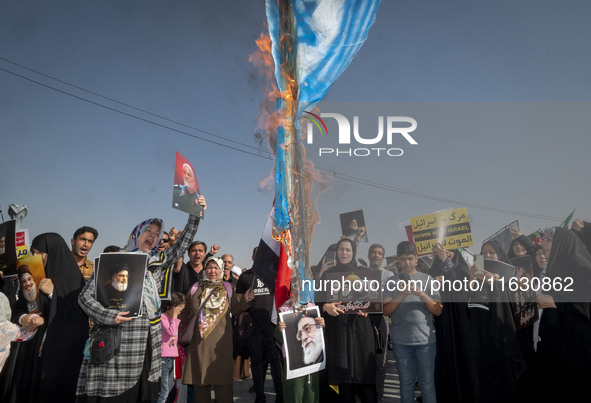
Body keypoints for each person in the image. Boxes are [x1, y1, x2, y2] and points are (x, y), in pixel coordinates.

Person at [76, 196, 205, 402]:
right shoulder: (115, 260)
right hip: (119, 349)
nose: (153, 237)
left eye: (156, 234)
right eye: (148, 232)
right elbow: (85, 298)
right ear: (137, 233)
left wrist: (194, 214)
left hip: (149, 347)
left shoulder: (156, 264)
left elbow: (182, 245)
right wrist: (110, 316)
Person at [1, 233, 88, 403]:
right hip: (30, 352)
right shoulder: (32, 276)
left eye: (40, 252)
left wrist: (52, 294)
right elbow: (19, 307)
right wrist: (24, 318)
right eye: (33, 252)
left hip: (58, 358)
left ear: (53, 252)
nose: (34, 257)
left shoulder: (74, 281)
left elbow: (78, 318)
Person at [320, 237, 391, 402]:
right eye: (341, 249)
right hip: (338, 338)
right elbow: (317, 303)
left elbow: (375, 306)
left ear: (353, 252)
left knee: (366, 384)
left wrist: (369, 310)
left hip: (361, 336)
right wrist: (325, 307)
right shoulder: (327, 276)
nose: (344, 252)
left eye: (348, 249)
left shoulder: (364, 274)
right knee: (344, 387)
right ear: (336, 252)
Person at [183, 256, 253, 403]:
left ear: (221, 270)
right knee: (200, 385)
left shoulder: (228, 288)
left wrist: (245, 301)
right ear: (205, 269)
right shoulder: (196, 288)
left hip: (221, 346)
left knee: (224, 387)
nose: (212, 271)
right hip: (199, 345)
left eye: (216, 268)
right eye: (209, 267)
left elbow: (235, 310)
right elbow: (186, 313)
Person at [535, 227, 591, 401]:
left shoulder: (584, 271)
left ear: (563, 245)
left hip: (577, 349)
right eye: (543, 247)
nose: (545, 250)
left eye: (548, 245)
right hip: (554, 347)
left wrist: (554, 302)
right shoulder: (551, 275)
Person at [388, 241, 442, 403]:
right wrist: (401, 295)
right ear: (398, 260)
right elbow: (386, 311)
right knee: (406, 384)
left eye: (410, 259)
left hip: (426, 342)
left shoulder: (428, 280)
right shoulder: (391, 281)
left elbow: (438, 310)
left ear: (416, 259)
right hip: (401, 342)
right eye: (403, 259)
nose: (407, 263)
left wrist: (422, 294)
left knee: (427, 383)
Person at [428, 242, 477, 403]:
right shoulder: (432, 273)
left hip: (460, 325)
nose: (446, 253)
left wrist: (445, 261)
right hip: (441, 325)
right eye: (443, 250)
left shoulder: (462, 269)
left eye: (450, 250)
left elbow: (460, 285)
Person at [236, 247, 284, 403]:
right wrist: (246, 300)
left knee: (275, 362)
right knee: (256, 362)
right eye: (257, 256)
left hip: (272, 326)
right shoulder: (245, 276)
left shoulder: (275, 275)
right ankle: (260, 396)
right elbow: (238, 301)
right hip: (253, 327)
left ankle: (280, 396)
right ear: (252, 257)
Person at [157, 292, 186, 403]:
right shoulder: (163, 318)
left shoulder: (171, 320)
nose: (180, 312)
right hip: (163, 358)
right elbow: (172, 332)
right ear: (172, 307)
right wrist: (174, 316)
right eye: (179, 309)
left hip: (170, 358)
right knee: (163, 391)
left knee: (168, 388)